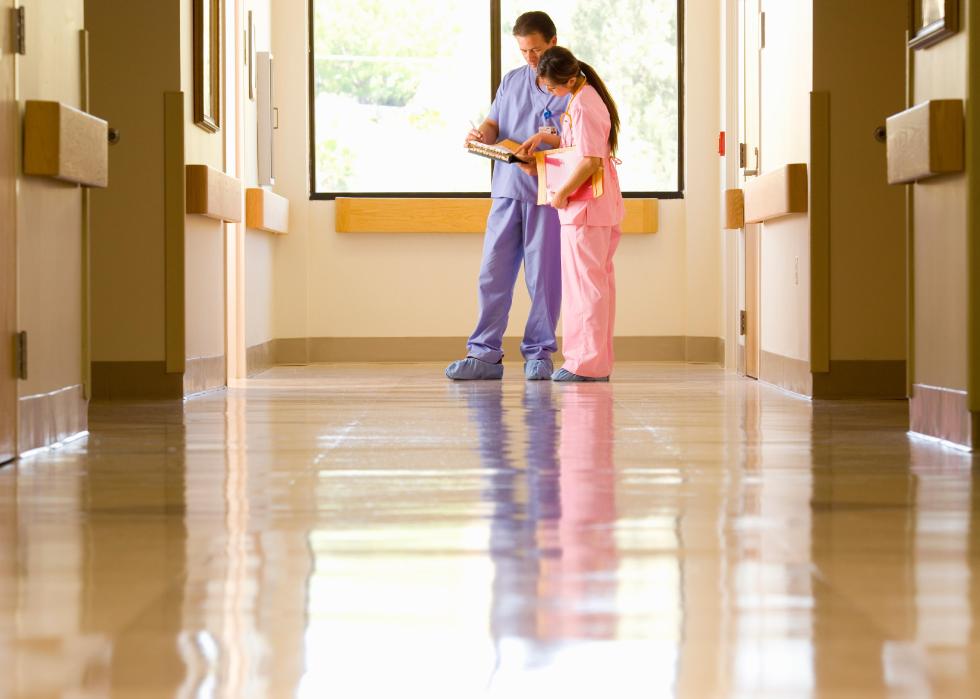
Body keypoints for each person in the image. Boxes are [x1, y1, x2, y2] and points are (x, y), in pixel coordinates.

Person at [445, 12, 569, 382]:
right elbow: (494, 123)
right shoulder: (512, 81)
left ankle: (540, 353)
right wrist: (480, 136)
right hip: (506, 190)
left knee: (544, 279)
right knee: (492, 274)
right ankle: (484, 355)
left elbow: (580, 139)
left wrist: (546, 145)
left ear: (553, 41)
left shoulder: (568, 85)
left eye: (535, 49)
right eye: (523, 50)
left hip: (546, 192)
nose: (530, 58)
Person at [533, 46, 624, 382]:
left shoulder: (584, 103)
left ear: (570, 79)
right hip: (593, 212)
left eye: (553, 88)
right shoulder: (582, 99)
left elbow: (590, 161)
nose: (552, 94)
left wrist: (562, 193)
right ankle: (592, 361)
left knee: (585, 289)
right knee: (594, 286)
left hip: (585, 211)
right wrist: (549, 137)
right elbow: (582, 149)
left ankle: (585, 365)